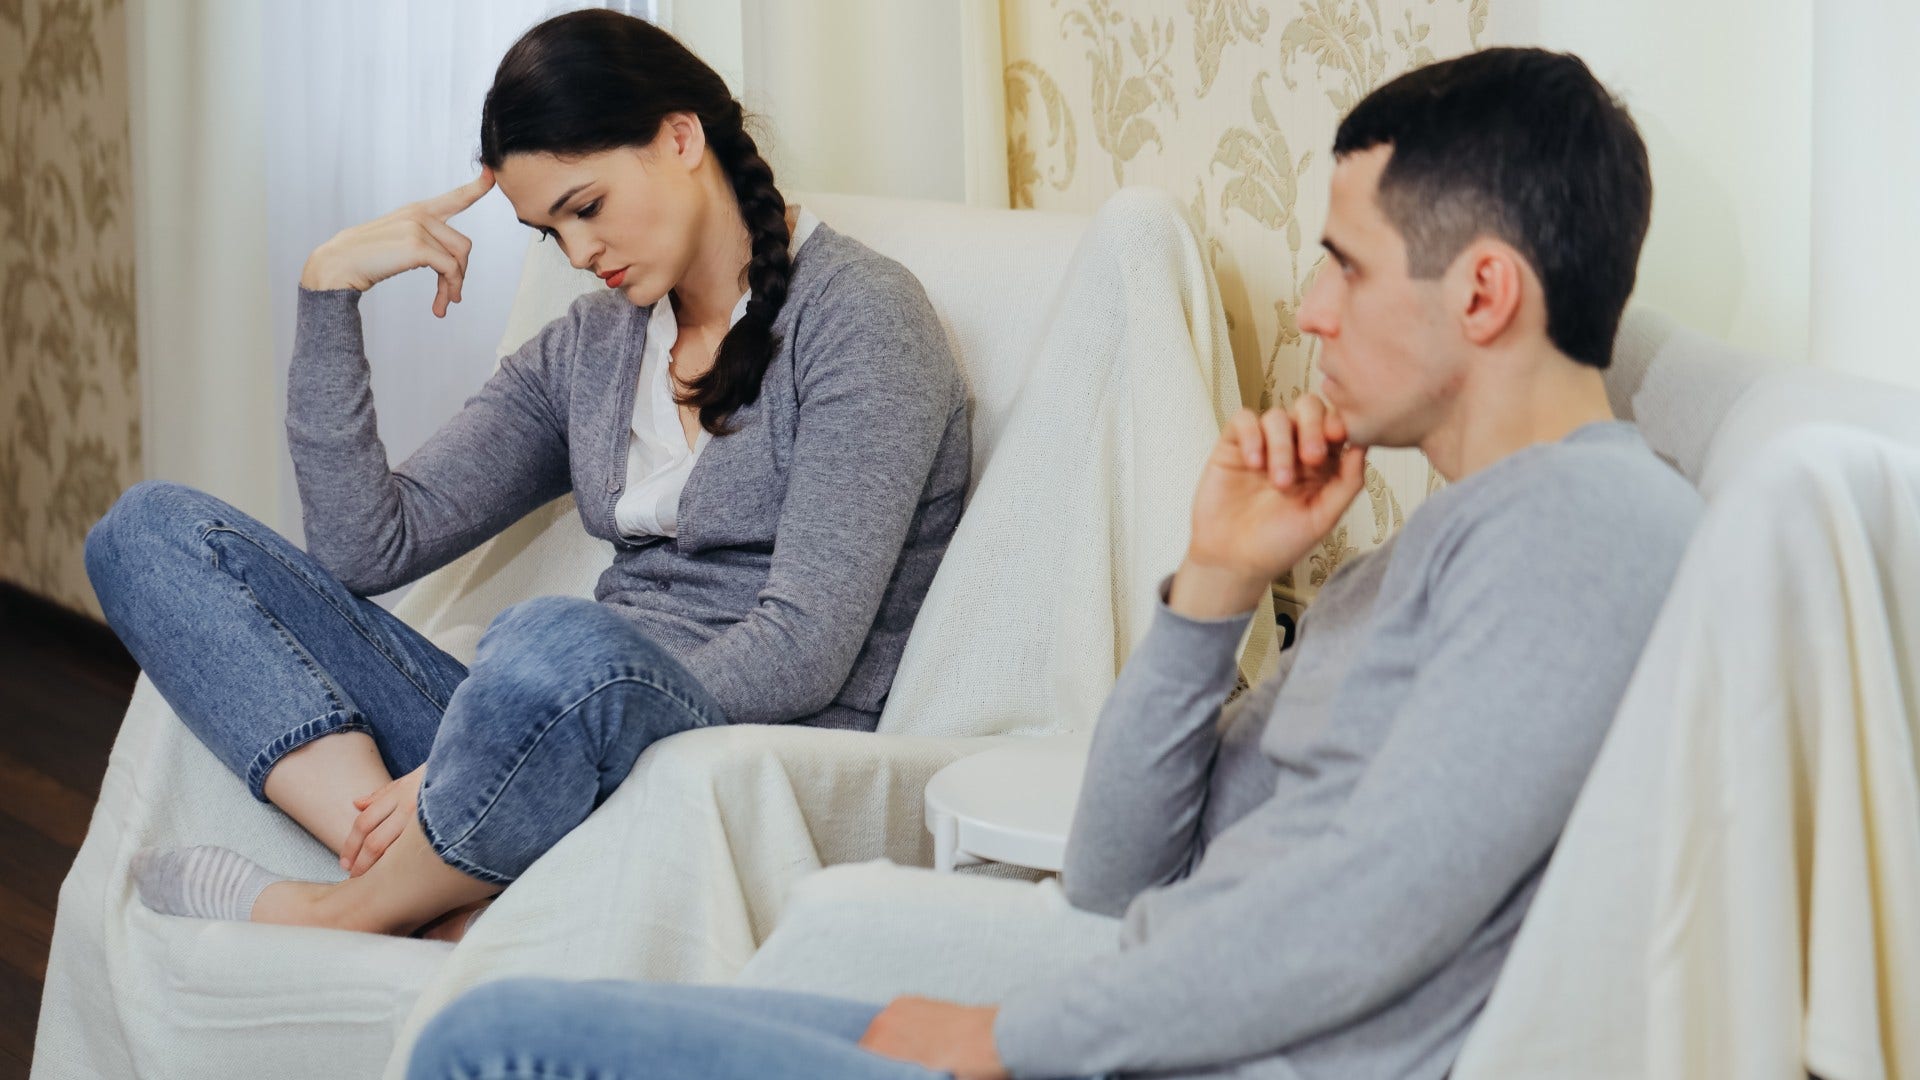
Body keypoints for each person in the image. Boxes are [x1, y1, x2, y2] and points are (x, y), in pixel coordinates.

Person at [404, 45, 1703, 1079]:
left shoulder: (1585, 534)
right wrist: (1215, 587)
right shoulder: (1423, 554)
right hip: (1123, 1024)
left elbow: (1371, 913)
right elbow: (1118, 869)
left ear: (1481, 295)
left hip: (1152, 1053)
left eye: (1345, 265)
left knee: (488, 1045)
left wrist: (1011, 1036)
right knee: (539, 1013)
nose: (1309, 307)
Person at [84, 9, 968, 943]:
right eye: (551, 232)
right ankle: (432, 887)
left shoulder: (862, 318)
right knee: (149, 532)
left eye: (584, 207)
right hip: (531, 738)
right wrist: (328, 291)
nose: (580, 255)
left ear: (680, 136)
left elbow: (802, 650)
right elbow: (366, 546)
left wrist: (507, 731)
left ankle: (342, 910)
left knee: (552, 640)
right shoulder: (594, 347)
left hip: (710, 753)